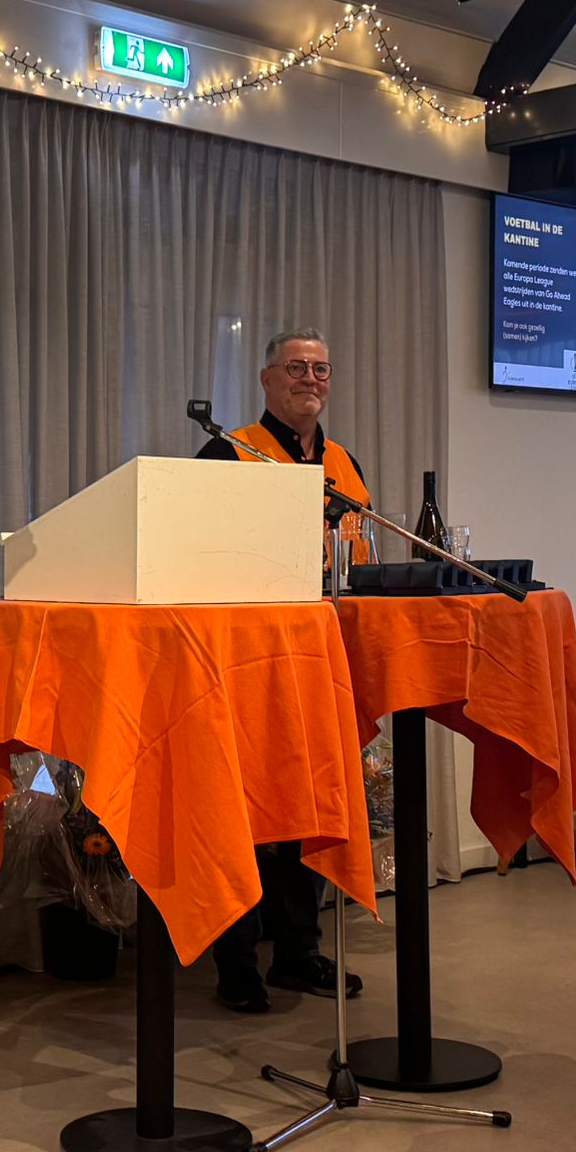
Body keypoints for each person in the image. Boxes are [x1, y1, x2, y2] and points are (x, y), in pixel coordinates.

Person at [194, 326, 366, 1013]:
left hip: (318, 669)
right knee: (238, 817)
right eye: (296, 368)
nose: (310, 380)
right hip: (242, 670)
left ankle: (299, 953)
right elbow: (196, 555)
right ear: (266, 379)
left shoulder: (344, 464)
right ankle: (236, 960)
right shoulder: (228, 452)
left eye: (321, 369)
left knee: (309, 809)